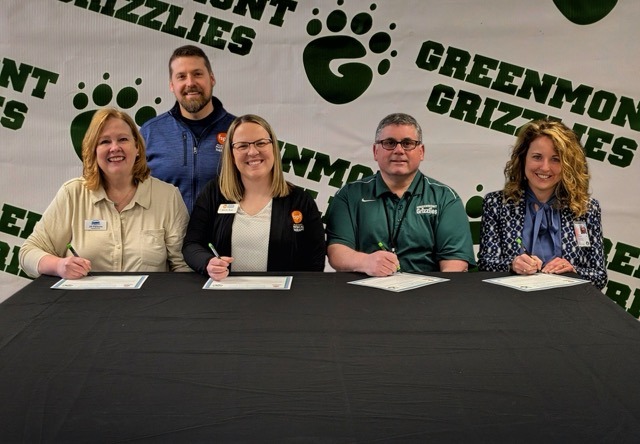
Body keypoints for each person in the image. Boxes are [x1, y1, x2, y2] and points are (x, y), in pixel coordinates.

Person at [19, 108, 190, 279]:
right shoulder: (73, 194)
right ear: (93, 150)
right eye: (104, 142)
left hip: (149, 302)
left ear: (137, 147)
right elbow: (27, 253)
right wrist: (59, 266)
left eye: (123, 139)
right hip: (84, 303)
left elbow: (183, 266)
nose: (114, 148)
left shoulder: (168, 197)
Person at [325, 112, 475, 276]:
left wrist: (437, 296)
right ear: (375, 151)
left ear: (421, 151)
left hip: (427, 295)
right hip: (363, 294)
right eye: (389, 143)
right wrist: (365, 262)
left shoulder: (445, 198)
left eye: (407, 143)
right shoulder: (349, 195)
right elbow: (336, 251)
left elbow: (455, 262)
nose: (398, 150)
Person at [182, 114, 326, 280]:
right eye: (242, 146)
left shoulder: (300, 200)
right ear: (231, 154)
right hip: (224, 298)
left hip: (283, 300)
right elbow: (191, 245)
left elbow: (315, 259)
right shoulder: (214, 193)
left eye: (261, 143)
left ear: (273, 147)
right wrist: (208, 262)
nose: (253, 152)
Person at [477, 119, 607, 290]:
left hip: (569, 303)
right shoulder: (497, 204)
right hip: (512, 302)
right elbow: (485, 264)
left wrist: (573, 271)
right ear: (523, 158)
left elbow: (599, 276)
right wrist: (512, 264)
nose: (545, 168)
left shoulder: (586, 208)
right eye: (537, 157)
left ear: (568, 164)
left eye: (555, 159)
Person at [140, 45, 236, 213]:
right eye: (181, 77)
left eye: (197, 74)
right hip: (167, 237)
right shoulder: (150, 133)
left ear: (212, 79)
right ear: (172, 85)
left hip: (221, 237)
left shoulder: (238, 131)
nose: (190, 83)